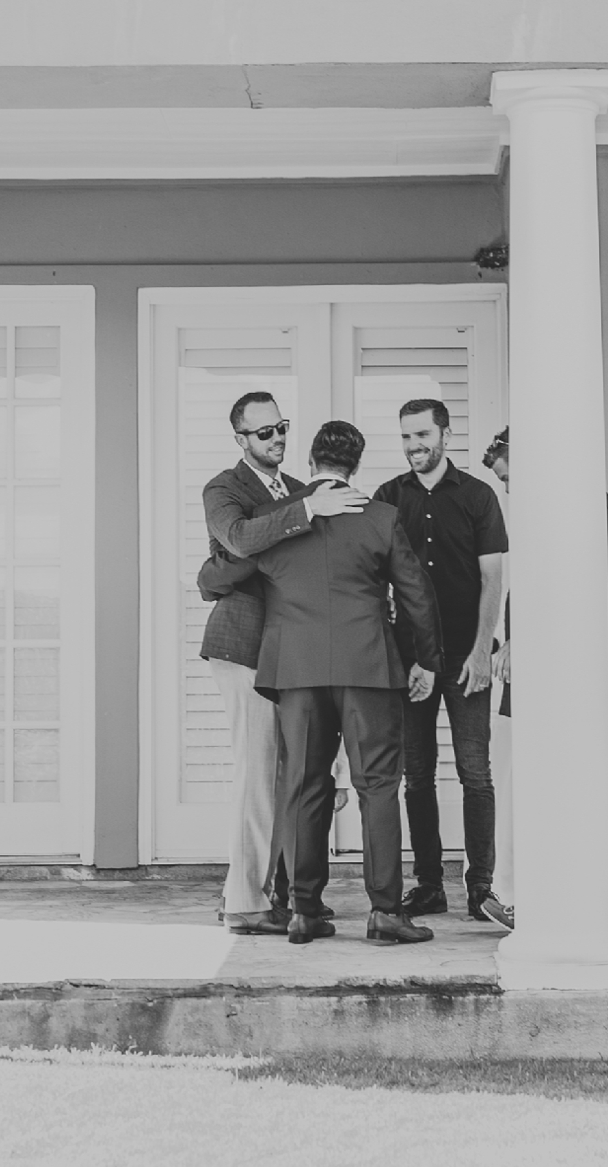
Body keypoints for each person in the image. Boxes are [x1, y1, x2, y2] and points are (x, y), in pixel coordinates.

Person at [252, 420, 445, 946]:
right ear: (356, 466)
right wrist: (425, 660)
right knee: (377, 787)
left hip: (296, 669)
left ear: (311, 463)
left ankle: (303, 911)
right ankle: (385, 913)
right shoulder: (381, 517)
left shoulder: (274, 518)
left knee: (304, 786)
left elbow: (237, 572)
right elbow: (416, 595)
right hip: (367, 668)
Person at [198, 391, 370, 936]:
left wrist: (219, 571)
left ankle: (276, 894)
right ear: (241, 439)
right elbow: (241, 538)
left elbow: (281, 562)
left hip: (291, 650)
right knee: (258, 775)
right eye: (264, 432)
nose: (277, 439)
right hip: (243, 646)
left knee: (290, 776)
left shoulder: (299, 491)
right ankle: (246, 901)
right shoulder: (226, 489)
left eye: (282, 428)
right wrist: (301, 515)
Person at [478, 427, 608, 934]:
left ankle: (571, 900)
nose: (509, 492)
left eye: (511, 479)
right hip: (540, 681)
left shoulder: (586, 508)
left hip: (579, 681)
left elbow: (606, 600)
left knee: (565, 793)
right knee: (522, 785)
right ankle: (533, 896)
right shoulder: (545, 517)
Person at [373, 388, 508, 923]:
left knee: (476, 773)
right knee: (418, 775)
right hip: (411, 664)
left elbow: (493, 578)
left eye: (423, 435)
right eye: (406, 437)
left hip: (466, 658)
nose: (414, 446)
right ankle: (429, 885)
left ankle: (481, 889)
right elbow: (375, 576)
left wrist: (480, 651)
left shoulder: (477, 496)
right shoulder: (387, 496)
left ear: (446, 436)